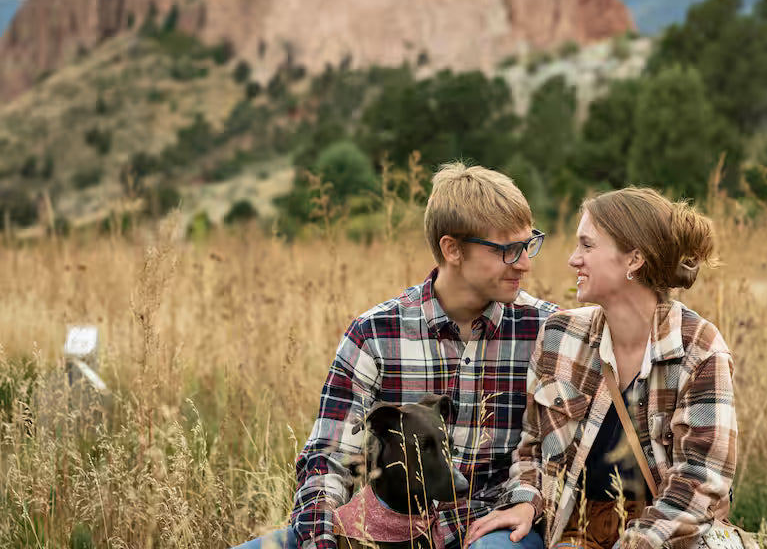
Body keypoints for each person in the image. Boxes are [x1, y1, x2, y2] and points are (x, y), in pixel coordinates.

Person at [235, 162, 558, 549]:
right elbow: (329, 456)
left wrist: (526, 501)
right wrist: (320, 540)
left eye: (528, 244)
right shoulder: (375, 333)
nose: (525, 263)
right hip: (388, 530)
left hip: (492, 528)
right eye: (507, 250)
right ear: (452, 249)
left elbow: (554, 454)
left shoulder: (547, 330)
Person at [466, 187, 737, 549]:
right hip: (569, 530)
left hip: (660, 538)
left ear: (634, 259)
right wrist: (525, 501)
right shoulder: (560, 334)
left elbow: (699, 486)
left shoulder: (699, 349)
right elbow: (531, 450)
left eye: (587, 246)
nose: (573, 259)